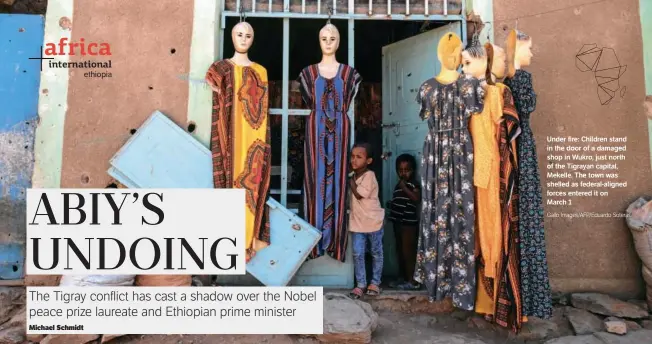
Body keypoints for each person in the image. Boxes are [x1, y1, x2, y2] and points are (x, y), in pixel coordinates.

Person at [348, 142, 385, 299]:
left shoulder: (369, 176)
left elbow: (358, 194)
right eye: (352, 156)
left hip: (373, 222)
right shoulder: (354, 175)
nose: (354, 160)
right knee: (358, 253)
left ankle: (375, 282)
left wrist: (348, 180)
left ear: (368, 161)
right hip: (357, 223)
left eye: (359, 157)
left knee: (376, 252)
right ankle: (361, 284)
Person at [387, 154, 421, 290]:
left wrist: (405, 188)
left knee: (408, 252)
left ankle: (412, 281)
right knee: (400, 251)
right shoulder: (398, 185)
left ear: (413, 170)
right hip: (398, 223)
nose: (403, 173)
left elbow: (416, 198)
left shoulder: (413, 184)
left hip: (409, 224)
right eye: (400, 170)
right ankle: (402, 278)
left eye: (407, 170)